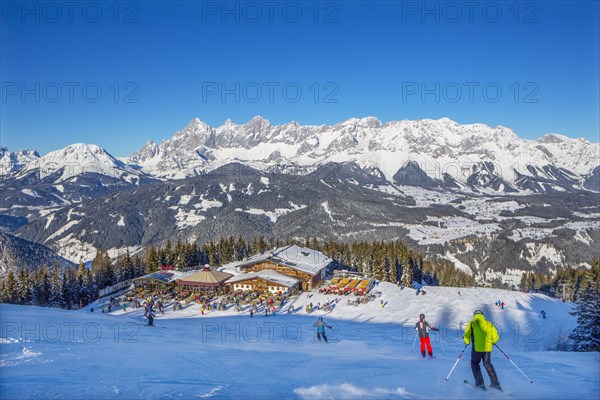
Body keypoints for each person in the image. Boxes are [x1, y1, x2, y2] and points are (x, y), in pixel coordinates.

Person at [464, 310, 501, 391]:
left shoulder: (472, 324)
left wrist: (467, 342)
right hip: (487, 349)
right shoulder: (489, 324)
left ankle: (480, 383)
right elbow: (496, 337)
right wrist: (493, 341)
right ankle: (496, 384)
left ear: (474, 315)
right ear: (482, 315)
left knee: (475, 363)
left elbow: (466, 335)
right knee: (488, 364)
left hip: (476, 349)